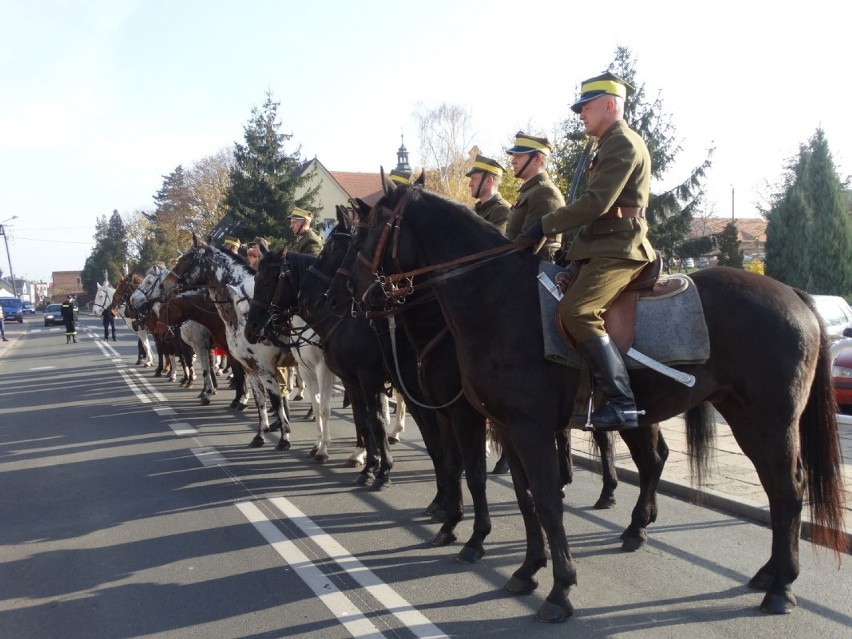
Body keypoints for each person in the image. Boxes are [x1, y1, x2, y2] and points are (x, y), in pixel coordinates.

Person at [523, 71, 655, 432]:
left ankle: (622, 402)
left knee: (578, 311)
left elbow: (597, 203)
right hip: (601, 244)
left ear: (610, 105)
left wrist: (546, 224)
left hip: (620, 248)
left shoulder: (623, 143)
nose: (580, 114)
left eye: (586, 107)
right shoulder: (607, 144)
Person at [505, 131, 565, 261]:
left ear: (537, 159)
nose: (513, 161)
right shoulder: (530, 191)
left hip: (533, 273)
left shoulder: (545, 192)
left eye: (518, 156)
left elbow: (527, 245)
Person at [466, 154, 510, 235]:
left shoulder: (502, 210)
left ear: (489, 181)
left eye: (474, 179)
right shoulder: (475, 209)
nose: (470, 184)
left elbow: (494, 244)